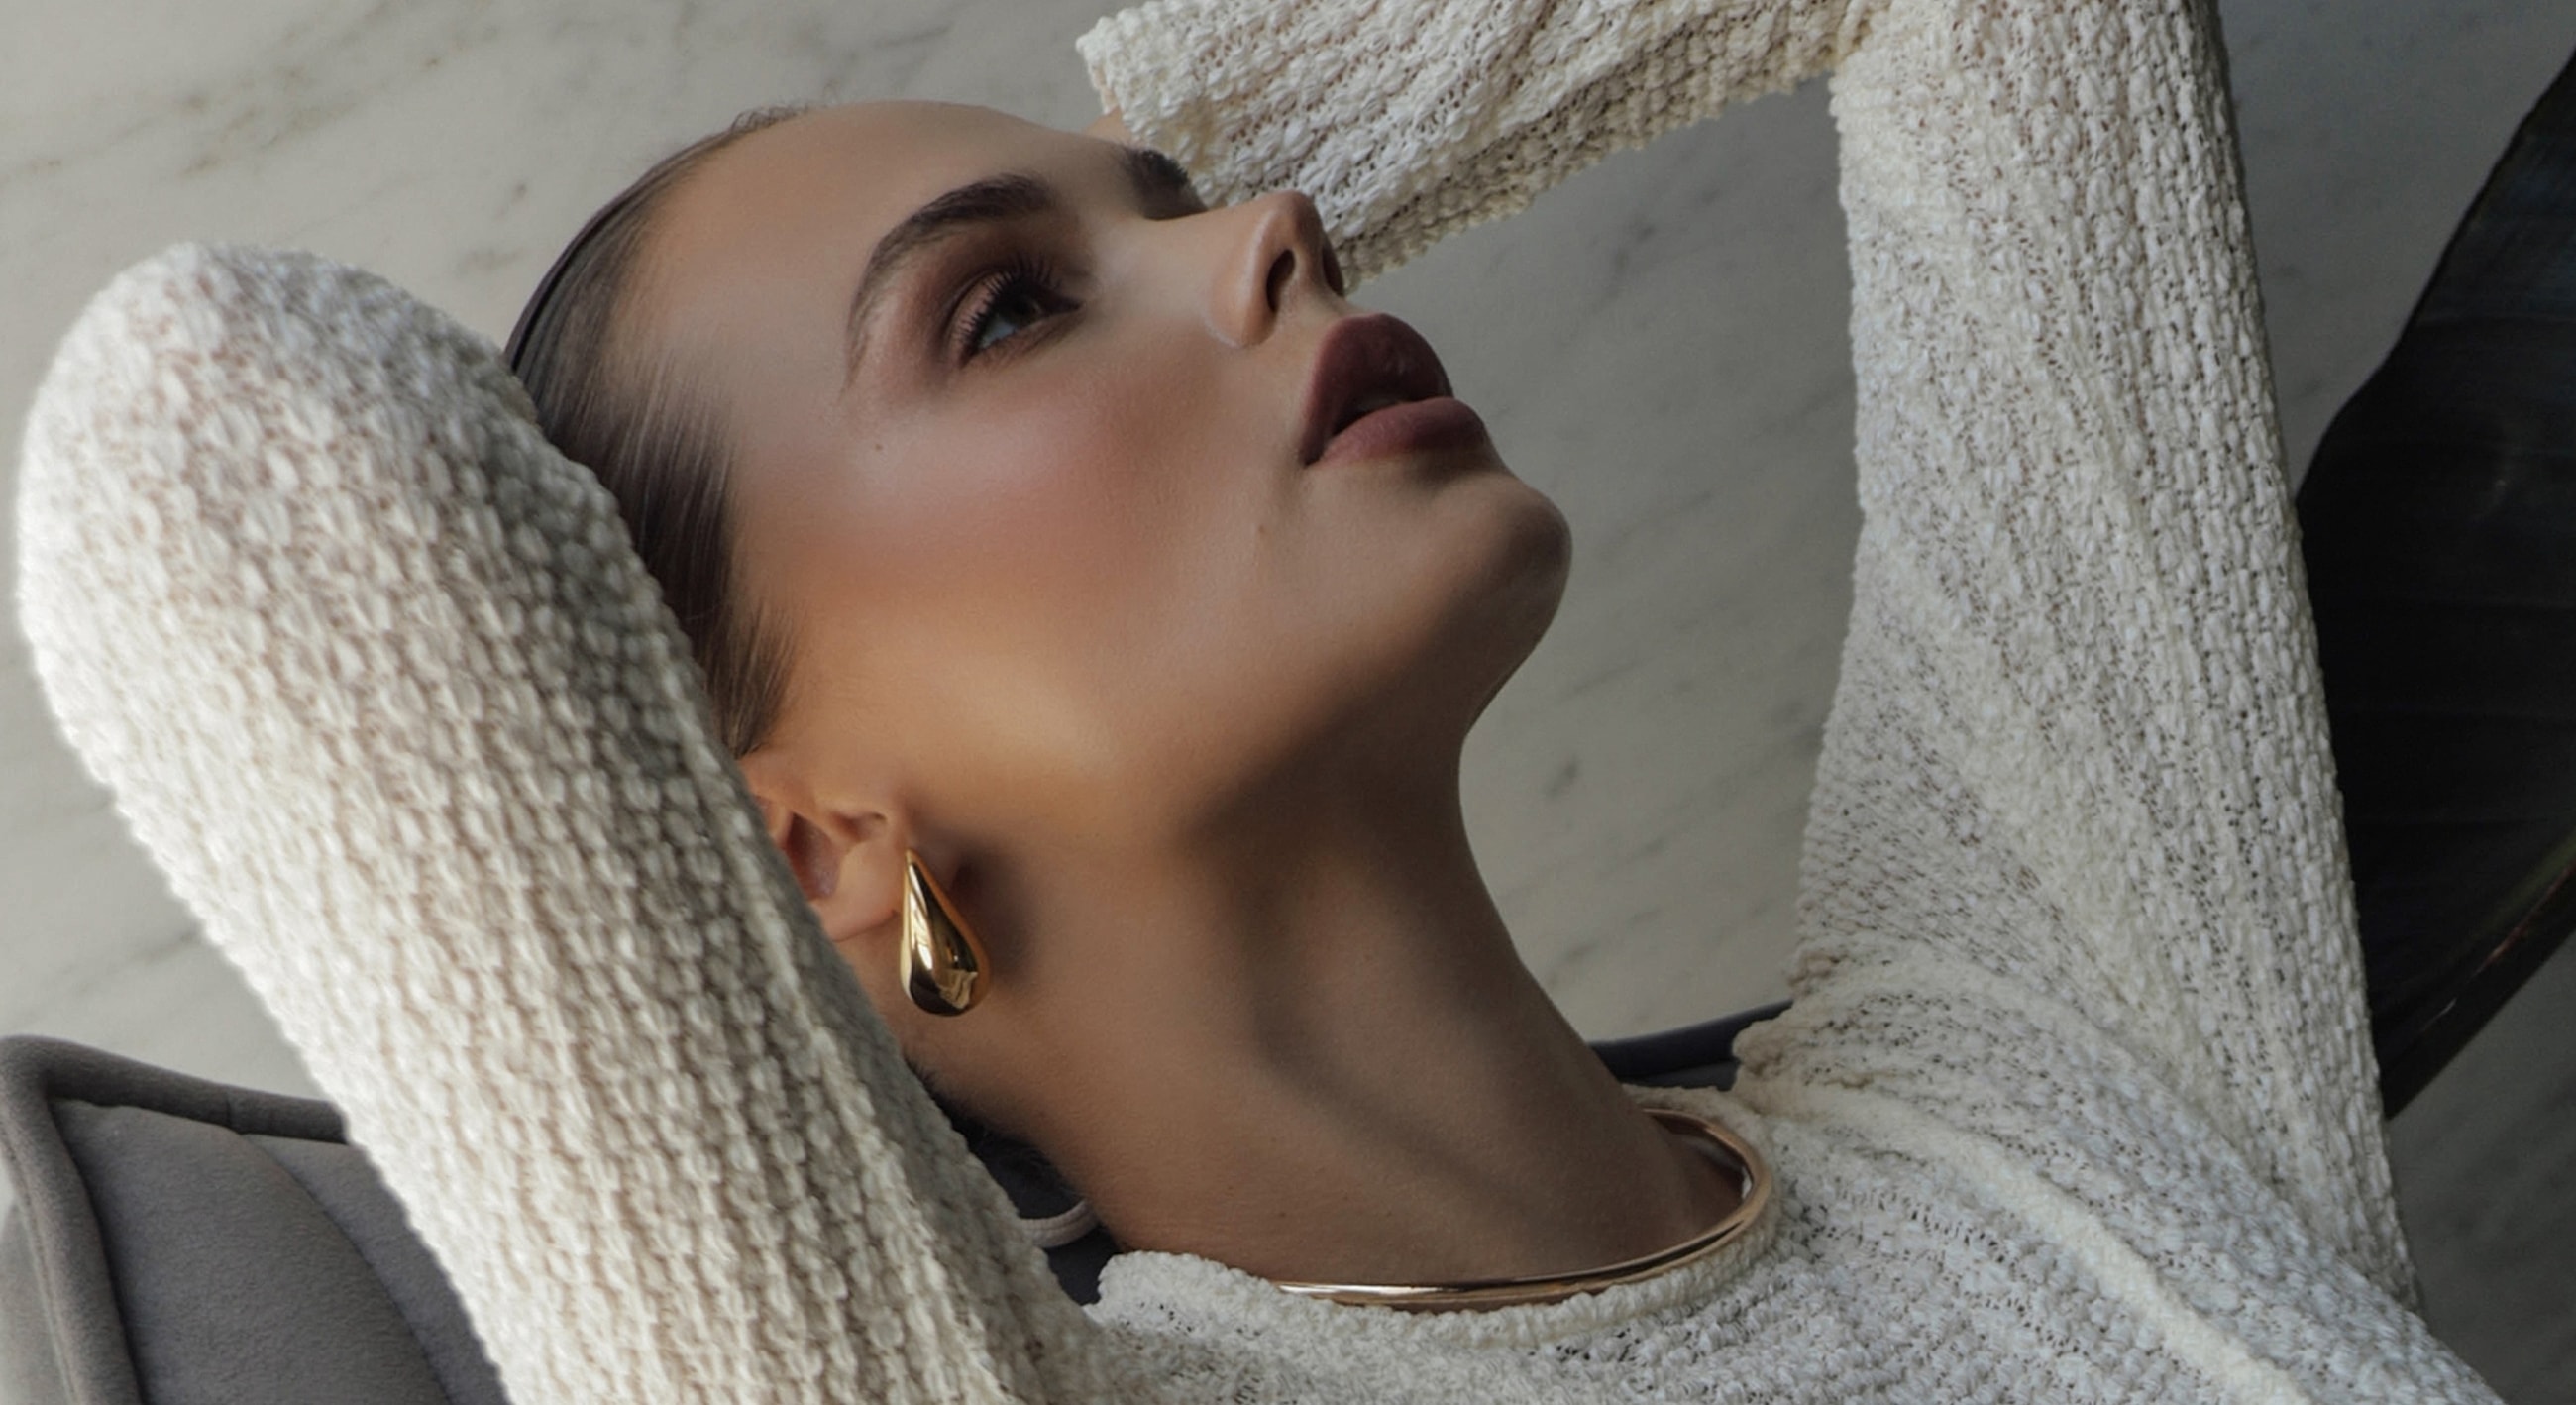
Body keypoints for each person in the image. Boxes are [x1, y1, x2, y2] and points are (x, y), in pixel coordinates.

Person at [11, 0, 2507, 1400]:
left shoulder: (2039, 1046)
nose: (1272, 237)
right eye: (996, 309)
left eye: (1199, 208)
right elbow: (223, 452)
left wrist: (1192, 137)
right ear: (797, 841)